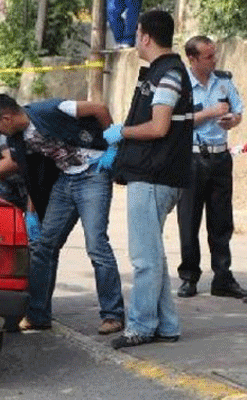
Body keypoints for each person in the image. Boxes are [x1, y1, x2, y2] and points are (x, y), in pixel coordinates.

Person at [0, 94, 125, 335]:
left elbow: (99, 108)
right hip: (65, 179)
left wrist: (113, 146)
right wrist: (32, 211)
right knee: (44, 246)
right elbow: (28, 172)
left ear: (6, 118)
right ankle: (38, 315)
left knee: (96, 245)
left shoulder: (51, 109)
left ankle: (113, 315)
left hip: (93, 173)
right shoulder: (18, 138)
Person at [104, 10, 193, 349]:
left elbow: (159, 127)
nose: (134, 37)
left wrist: (120, 133)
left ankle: (140, 325)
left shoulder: (167, 74)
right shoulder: (163, 71)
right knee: (154, 256)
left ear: (146, 37)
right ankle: (167, 325)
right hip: (154, 173)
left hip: (154, 174)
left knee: (144, 259)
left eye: (137, 31)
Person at [175, 36, 246, 299]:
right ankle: (189, 277)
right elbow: (177, 122)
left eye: (214, 55)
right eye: (208, 56)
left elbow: (238, 111)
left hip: (219, 158)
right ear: (192, 59)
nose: (214, 60)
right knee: (189, 220)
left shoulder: (224, 81)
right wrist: (210, 112)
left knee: (221, 220)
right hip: (192, 159)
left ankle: (223, 277)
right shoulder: (182, 85)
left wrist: (232, 120)